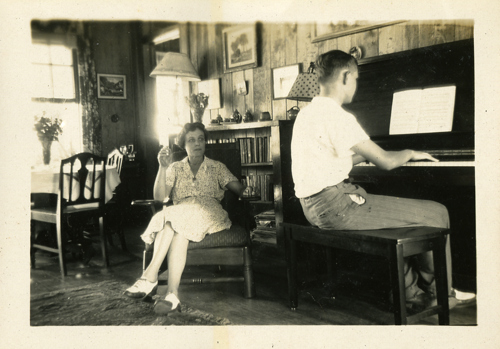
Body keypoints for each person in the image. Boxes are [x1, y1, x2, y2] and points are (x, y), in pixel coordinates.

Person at [291, 50, 475, 310]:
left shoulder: (306, 113)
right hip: (337, 207)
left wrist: (364, 156)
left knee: (403, 218)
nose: (356, 84)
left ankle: (411, 294)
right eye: (355, 78)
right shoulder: (339, 116)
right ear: (345, 76)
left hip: (313, 206)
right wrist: (409, 153)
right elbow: (387, 162)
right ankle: (440, 295)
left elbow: (331, 161)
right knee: (438, 212)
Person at [124, 122, 245, 315]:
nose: (197, 143)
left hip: (209, 212)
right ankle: (172, 296)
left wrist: (247, 190)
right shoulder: (174, 168)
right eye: (191, 140)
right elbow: (159, 197)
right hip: (182, 214)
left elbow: (240, 190)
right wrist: (162, 168)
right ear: (183, 145)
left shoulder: (217, 167)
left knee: (171, 219)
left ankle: (150, 276)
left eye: (201, 139)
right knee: (177, 228)